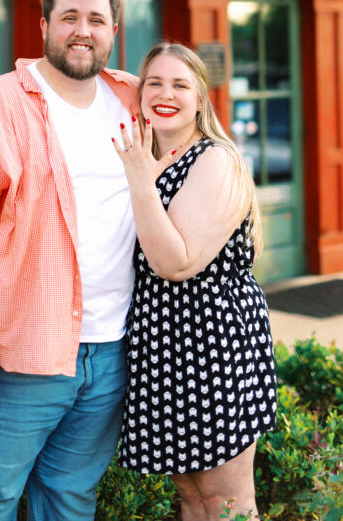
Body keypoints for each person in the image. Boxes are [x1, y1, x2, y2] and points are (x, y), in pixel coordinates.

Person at [0, 0, 140, 521]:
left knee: (69, 497)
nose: (82, 31)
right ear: (44, 26)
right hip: (14, 350)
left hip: (111, 347)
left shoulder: (134, 98)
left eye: (96, 20)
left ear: (113, 29)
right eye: (69, 17)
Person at [113, 41, 276, 521]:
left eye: (180, 84)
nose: (166, 93)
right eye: (154, 83)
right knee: (191, 499)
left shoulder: (214, 160)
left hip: (211, 343)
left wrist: (141, 184)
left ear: (201, 98)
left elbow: (176, 263)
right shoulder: (145, 156)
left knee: (227, 502)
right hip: (159, 345)